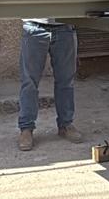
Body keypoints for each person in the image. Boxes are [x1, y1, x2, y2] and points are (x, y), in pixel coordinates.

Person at [17, 19, 82, 151]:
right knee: (29, 82)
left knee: (66, 80)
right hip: (34, 27)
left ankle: (65, 124)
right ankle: (26, 128)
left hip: (65, 27)